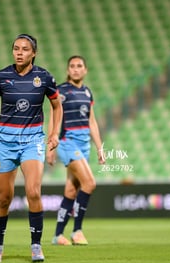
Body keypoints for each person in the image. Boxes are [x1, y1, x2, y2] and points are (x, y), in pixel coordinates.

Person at [0, 34, 63, 263]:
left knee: (33, 191)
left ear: (34, 53)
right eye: (16, 48)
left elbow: (56, 106)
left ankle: (36, 246)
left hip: (32, 142)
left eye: (24, 49)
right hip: (5, 143)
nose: (19, 52)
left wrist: (53, 133)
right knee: (3, 198)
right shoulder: (2, 77)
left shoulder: (44, 77)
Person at [46, 55, 105, 246]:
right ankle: (77, 231)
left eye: (79, 66)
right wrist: (50, 146)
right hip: (67, 142)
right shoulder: (61, 91)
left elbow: (92, 122)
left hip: (83, 144)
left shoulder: (88, 93)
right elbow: (53, 118)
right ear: (67, 70)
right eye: (72, 66)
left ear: (85, 70)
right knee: (89, 183)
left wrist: (99, 148)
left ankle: (57, 235)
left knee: (72, 190)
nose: (76, 69)